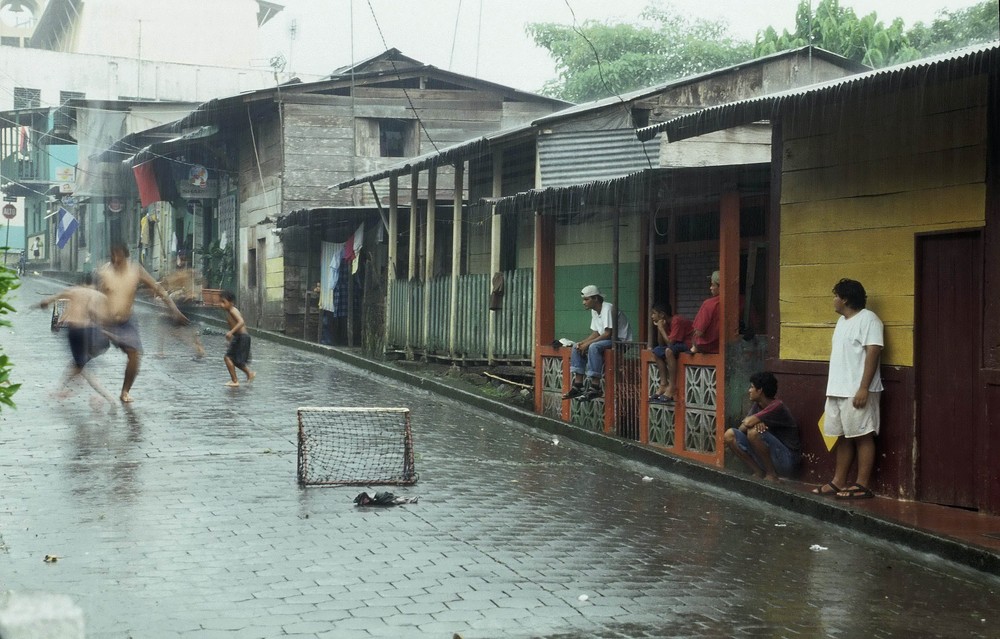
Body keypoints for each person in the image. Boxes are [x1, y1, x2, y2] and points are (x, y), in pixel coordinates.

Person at [811, 278, 883, 500]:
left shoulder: (869, 319)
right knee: (843, 436)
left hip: (857, 390)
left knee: (863, 434)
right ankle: (838, 481)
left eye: (835, 296)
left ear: (845, 299)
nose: (833, 301)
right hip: (837, 389)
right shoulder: (842, 322)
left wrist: (863, 388)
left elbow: (873, 351)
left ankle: (862, 484)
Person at [95, 242, 187, 403]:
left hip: (126, 321)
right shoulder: (104, 271)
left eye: (120, 257)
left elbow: (159, 289)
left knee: (135, 354)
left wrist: (175, 310)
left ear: (126, 256)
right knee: (88, 352)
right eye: (113, 256)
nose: (116, 260)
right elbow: (94, 295)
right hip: (106, 320)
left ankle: (125, 391)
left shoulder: (135, 270)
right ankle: (80, 376)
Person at [38, 274, 115, 404]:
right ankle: (62, 389)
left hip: (76, 331)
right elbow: (106, 317)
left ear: (82, 282)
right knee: (78, 364)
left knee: (81, 366)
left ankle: (108, 398)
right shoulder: (100, 296)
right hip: (93, 333)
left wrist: (45, 305)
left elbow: (50, 300)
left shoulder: (74, 291)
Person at [724, 371, 801, 481]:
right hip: (771, 457)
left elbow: (749, 422)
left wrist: (754, 422)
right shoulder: (757, 405)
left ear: (760, 390)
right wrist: (756, 421)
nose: (749, 391)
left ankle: (771, 475)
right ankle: (758, 472)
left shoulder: (777, 406)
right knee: (729, 434)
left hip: (787, 460)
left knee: (754, 432)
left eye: (752, 387)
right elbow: (741, 428)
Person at [562, 285, 632, 401]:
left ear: (595, 298)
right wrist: (583, 343)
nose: (584, 302)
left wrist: (588, 344)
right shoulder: (594, 311)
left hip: (621, 341)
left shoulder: (607, 308)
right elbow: (596, 333)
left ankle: (595, 387)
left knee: (593, 347)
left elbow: (608, 333)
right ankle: (578, 385)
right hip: (607, 339)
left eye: (586, 299)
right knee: (576, 346)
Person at [157, 252, 205, 359]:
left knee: (175, 329)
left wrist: (194, 293)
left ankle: (197, 348)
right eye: (180, 260)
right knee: (165, 325)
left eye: (182, 260)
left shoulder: (188, 273)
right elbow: (167, 287)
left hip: (184, 305)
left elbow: (201, 282)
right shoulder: (177, 275)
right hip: (180, 304)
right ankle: (161, 351)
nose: (181, 262)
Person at [649, 302, 693, 402]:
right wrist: (660, 328)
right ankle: (663, 384)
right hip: (677, 344)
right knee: (656, 351)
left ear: (662, 315)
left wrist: (661, 328)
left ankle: (672, 387)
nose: (652, 316)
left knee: (669, 351)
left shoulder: (676, 320)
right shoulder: (665, 323)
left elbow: (670, 343)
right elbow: (661, 344)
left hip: (688, 343)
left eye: (654, 313)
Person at [220, 289, 255, 387]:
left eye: (224, 302)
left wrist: (231, 332)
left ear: (231, 303)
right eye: (221, 302)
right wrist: (231, 340)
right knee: (234, 360)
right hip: (239, 337)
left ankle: (235, 381)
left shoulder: (232, 310)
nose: (221, 305)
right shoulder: (229, 312)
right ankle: (249, 374)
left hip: (242, 338)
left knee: (228, 358)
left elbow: (241, 322)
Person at [690, 270, 721, 355]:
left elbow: (699, 331)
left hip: (709, 347)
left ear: (721, 287)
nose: (710, 288)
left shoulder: (709, 304)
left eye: (712, 285)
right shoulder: (740, 301)